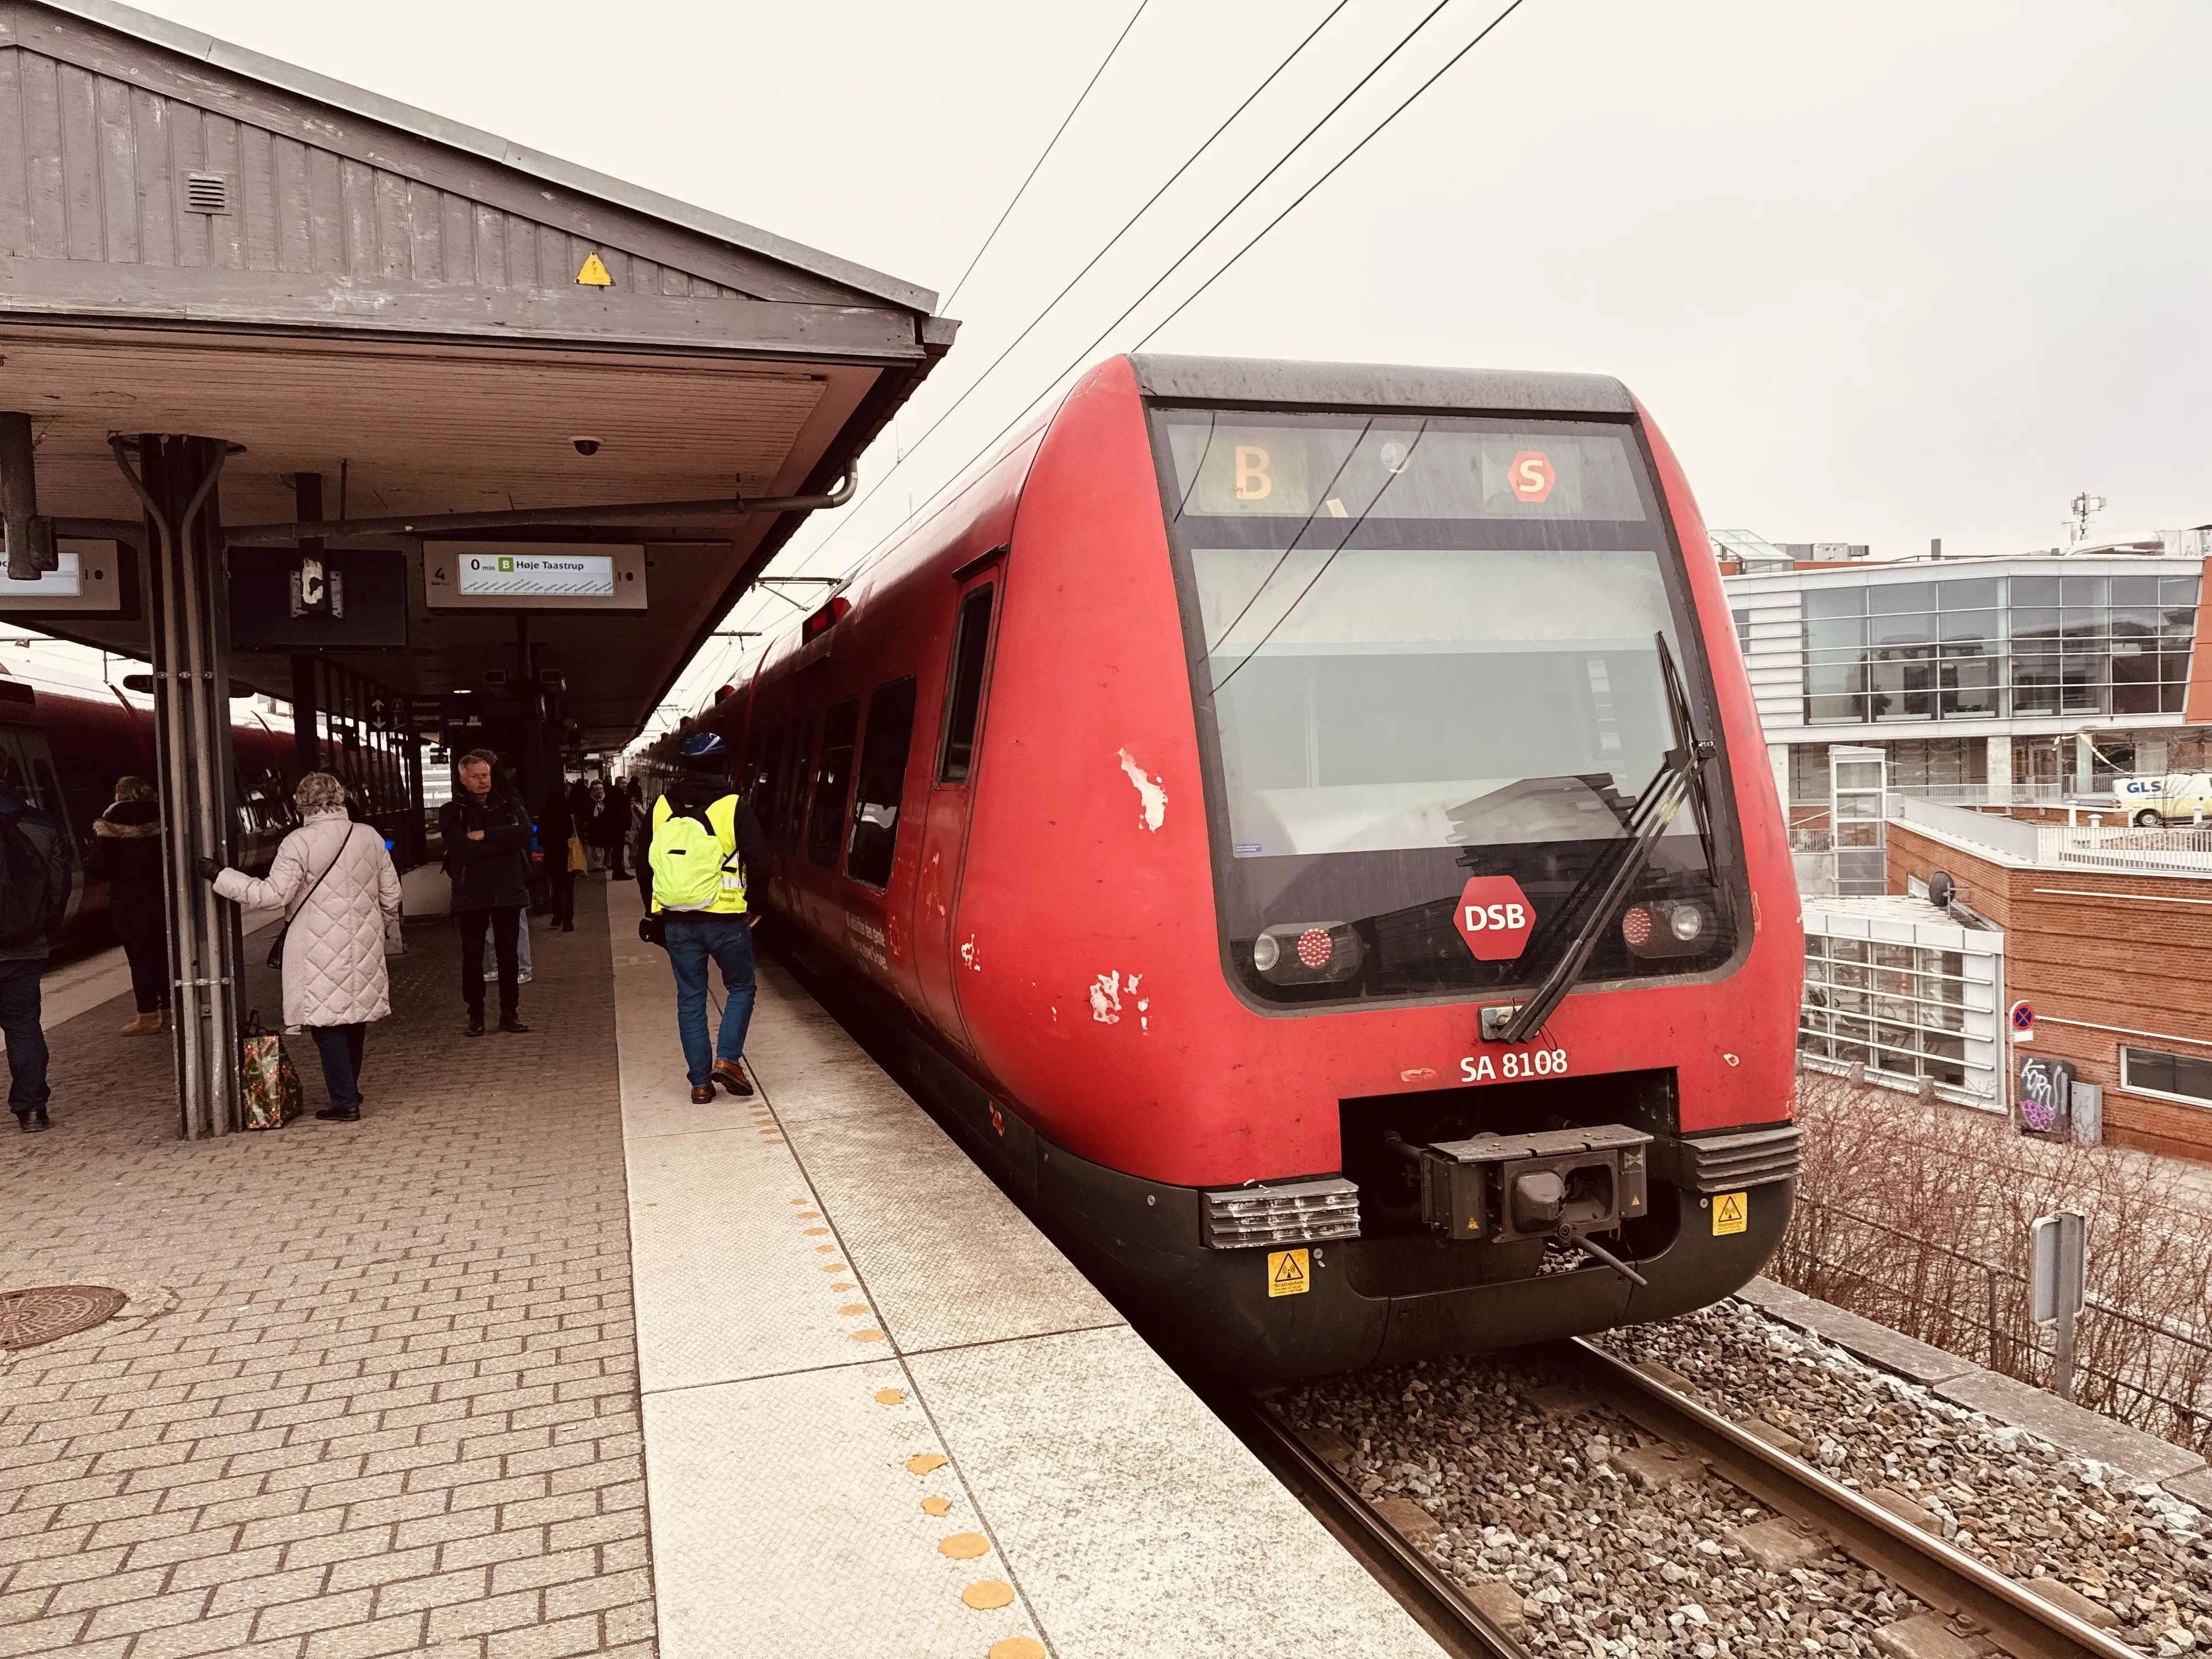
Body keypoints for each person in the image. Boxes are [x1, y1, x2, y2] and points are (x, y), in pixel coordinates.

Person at [199, 771, 400, 1123]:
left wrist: (220, 875)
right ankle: (350, 1089)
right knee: (354, 1018)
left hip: (317, 946)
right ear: (341, 798)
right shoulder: (369, 836)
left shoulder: (298, 842)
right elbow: (392, 895)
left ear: (301, 804)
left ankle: (345, 1103)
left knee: (327, 1023)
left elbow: (272, 895)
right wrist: (378, 928)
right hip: (364, 942)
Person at [637, 733, 769, 1105]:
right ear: (724, 765)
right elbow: (759, 862)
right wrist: (756, 905)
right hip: (727, 919)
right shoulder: (733, 806)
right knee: (741, 987)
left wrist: (654, 911)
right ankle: (727, 1060)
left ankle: (699, 1084)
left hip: (678, 921)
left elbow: (642, 864)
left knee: (691, 997)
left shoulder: (662, 806)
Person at [439, 748, 531, 1037]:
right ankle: (475, 1016)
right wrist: (503, 842)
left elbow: (525, 833)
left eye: (486, 775)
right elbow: (461, 850)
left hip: (508, 890)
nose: (483, 781)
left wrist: (486, 836)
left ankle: (509, 1013)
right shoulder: (453, 811)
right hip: (472, 894)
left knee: (509, 956)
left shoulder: (508, 804)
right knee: (473, 957)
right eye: (476, 777)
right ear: (463, 780)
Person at [0, 780, 71, 1133]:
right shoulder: (43, 824)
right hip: (24, 949)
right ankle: (31, 1113)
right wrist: (42, 928)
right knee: (24, 1029)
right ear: (8, 770)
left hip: (25, 947)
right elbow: (59, 886)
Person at [87, 777, 167, 1035]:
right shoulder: (163, 816)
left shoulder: (111, 822)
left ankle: (147, 1016)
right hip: (162, 898)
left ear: (119, 795)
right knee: (163, 954)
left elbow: (97, 867)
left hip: (129, 903)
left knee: (140, 958)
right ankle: (169, 1009)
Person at [541, 781, 579, 932]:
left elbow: (540, 838)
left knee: (555, 887)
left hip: (552, 856)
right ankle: (568, 921)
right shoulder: (569, 812)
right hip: (568, 855)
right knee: (568, 889)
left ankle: (556, 917)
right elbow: (576, 833)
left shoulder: (545, 814)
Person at [595, 779, 631, 879]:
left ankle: (618, 872)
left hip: (616, 826)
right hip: (617, 827)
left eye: (626, 783)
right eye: (623, 783)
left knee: (618, 850)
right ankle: (619, 872)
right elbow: (620, 812)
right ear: (618, 784)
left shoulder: (615, 793)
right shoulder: (617, 795)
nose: (625, 784)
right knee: (618, 850)